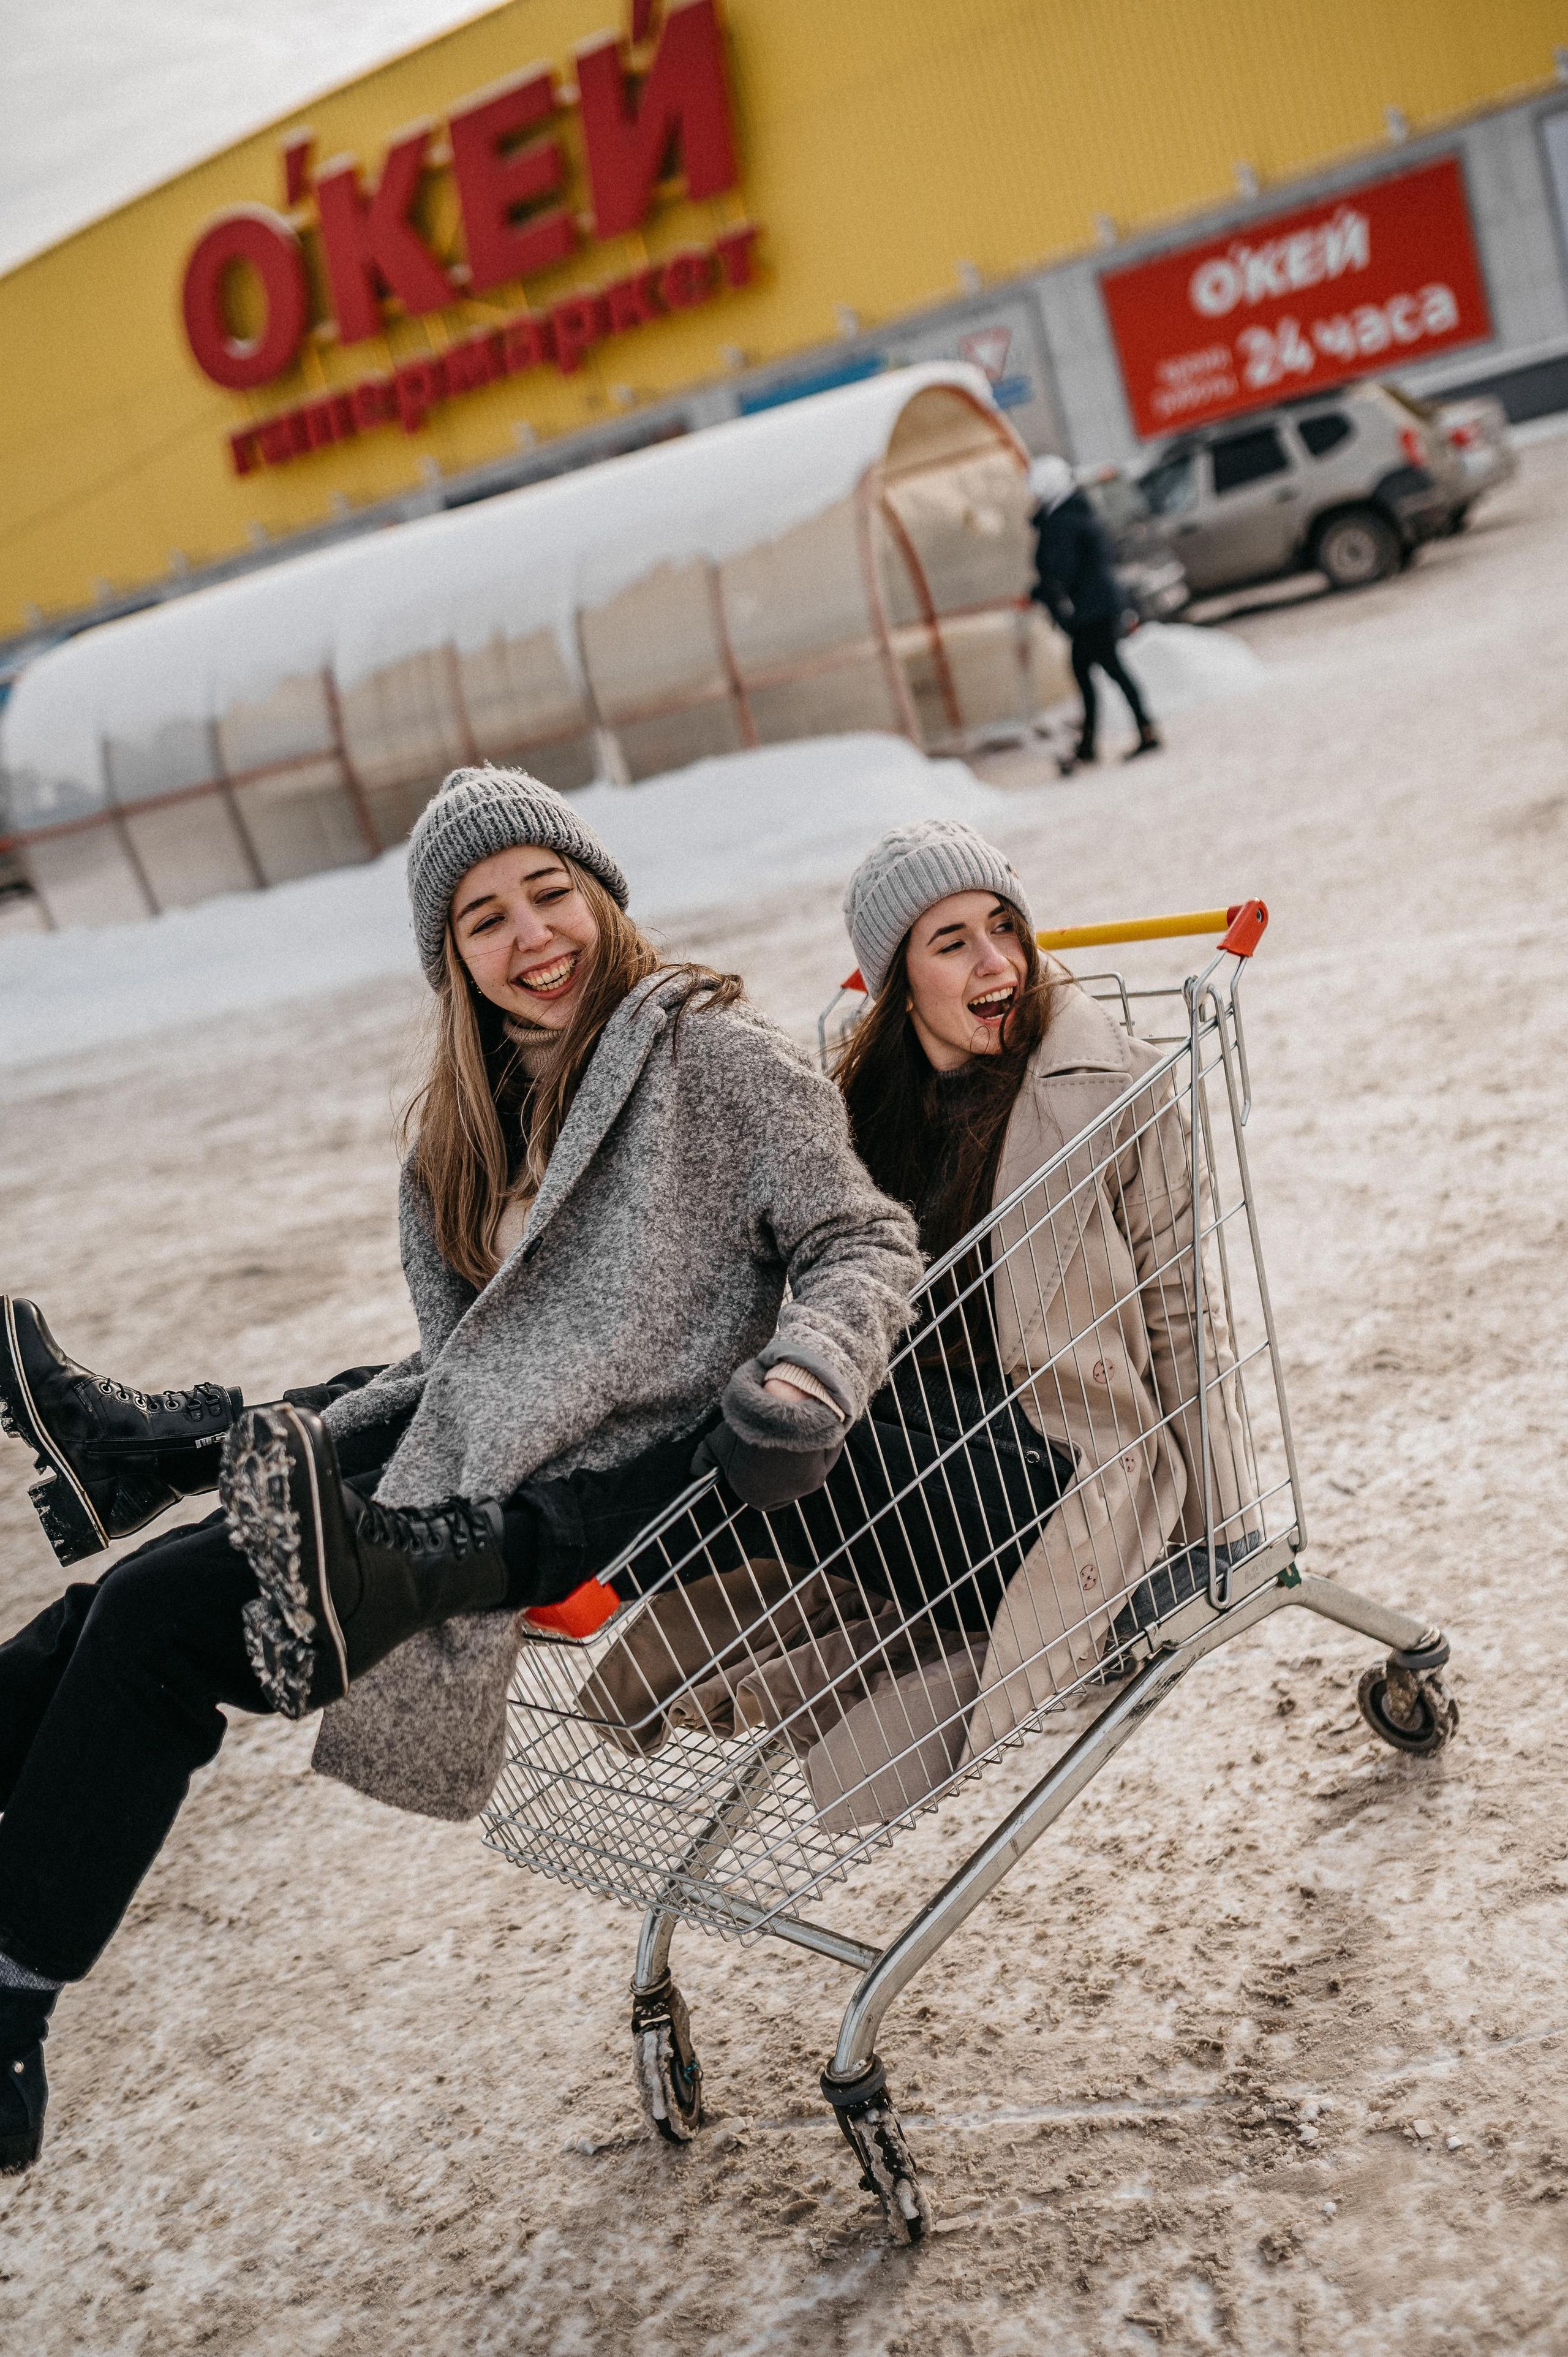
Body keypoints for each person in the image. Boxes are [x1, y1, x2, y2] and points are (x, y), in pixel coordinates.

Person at [0, 767, 922, 2175]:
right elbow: (462, 1375)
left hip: (650, 1494)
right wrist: (267, 1435)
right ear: (453, 962)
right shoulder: (479, 1119)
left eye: (547, 890)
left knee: (149, 1627)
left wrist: (805, 1370)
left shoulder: (716, 1058)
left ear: (599, 893)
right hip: (487, 1474)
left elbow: (859, 1238)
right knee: (120, 1611)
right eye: (482, 918)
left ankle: (8, 2015)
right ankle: (156, 1450)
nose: (528, 933)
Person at [584, 819, 1253, 1815]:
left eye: (1005, 929)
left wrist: (1221, 1534)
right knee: (730, 1397)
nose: (999, 963)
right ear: (901, 985)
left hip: (1052, 1478)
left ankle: (567, 1551)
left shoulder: (1115, 1094)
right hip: (923, 1467)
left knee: (796, 1438)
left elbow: (1181, 1314)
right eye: (953, 943)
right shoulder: (858, 1122)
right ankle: (551, 1534)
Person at [1030, 453, 1161, 766]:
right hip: (1098, 606)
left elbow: (1061, 567)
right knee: (1094, 670)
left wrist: (1042, 592)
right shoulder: (1075, 512)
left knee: (1103, 669)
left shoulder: (1063, 520)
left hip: (1091, 610)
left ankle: (1128, 735)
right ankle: (1113, 737)